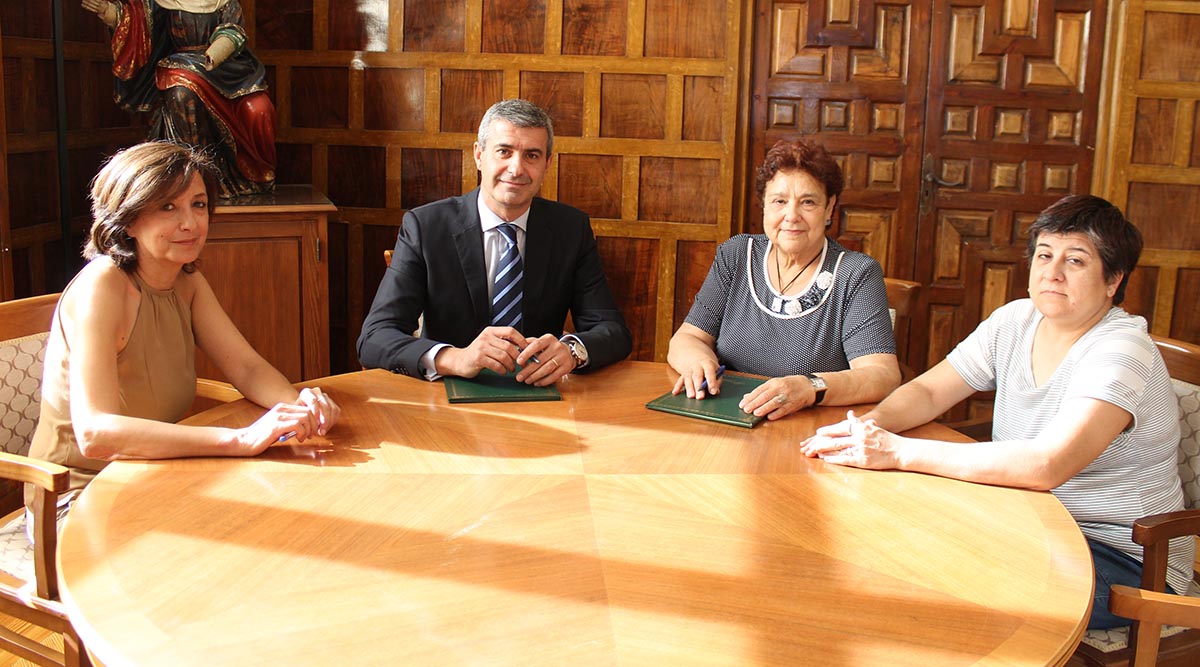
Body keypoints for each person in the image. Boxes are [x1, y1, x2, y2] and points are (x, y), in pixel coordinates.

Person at [802, 194, 1193, 629]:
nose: (1053, 272)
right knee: (891, 538)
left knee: (940, 581)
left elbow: (1048, 464)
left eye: (1076, 261)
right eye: (1044, 255)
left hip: (1122, 558)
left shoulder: (1121, 349)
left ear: (1113, 280)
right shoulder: (1016, 320)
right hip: (1028, 522)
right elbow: (931, 392)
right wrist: (862, 429)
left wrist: (898, 453)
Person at [26, 142, 339, 525]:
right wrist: (240, 440)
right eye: (167, 207)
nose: (190, 223)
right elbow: (96, 434)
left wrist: (299, 409)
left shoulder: (186, 281)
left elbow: (247, 369)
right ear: (126, 220)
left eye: (199, 204)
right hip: (77, 497)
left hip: (156, 477)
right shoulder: (103, 284)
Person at [357, 99, 632, 384]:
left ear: (547, 163)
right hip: (445, 397)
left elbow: (612, 330)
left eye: (532, 156)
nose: (516, 169)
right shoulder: (426, 227)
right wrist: (455, 358)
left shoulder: (570, 229)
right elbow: (375, 337)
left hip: (537, 395)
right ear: (479, 155)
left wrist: (571, 350)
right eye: (504, 151)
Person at [667, 139, 900, 420]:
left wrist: (810, 387)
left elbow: (882, 375)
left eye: (808, 202)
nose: (791, 216)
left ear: (829, 208)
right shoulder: (737, 254)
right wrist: (697, 361)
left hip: (806, 429)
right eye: (779, 201)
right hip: (727, 420)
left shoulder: (857, 273)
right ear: (764, 206)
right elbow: (688, 337)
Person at [82, 0, 276, 199]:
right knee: (182, 93)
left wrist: (217, 51)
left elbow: (233, 30)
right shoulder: (164, 2)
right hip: (181, 66)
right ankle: (195, 177)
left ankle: (254, 177)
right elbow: (139, 24)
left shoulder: (224, 2)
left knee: (260, 109)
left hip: (227, 70)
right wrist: (110, 12)